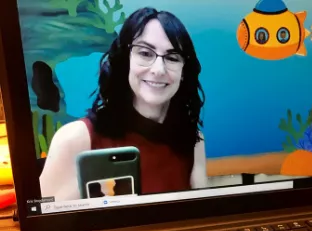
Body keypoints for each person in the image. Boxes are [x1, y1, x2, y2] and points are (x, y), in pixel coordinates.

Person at [39, 7, 207, 201]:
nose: (159, 69)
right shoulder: (75, 139)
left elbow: (200, 217)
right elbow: (45, 224)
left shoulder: (193, 140)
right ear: (125, 60)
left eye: (172, 57)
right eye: (145, 53)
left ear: (184, 71)